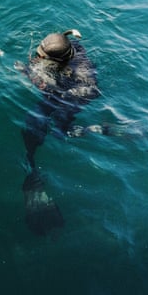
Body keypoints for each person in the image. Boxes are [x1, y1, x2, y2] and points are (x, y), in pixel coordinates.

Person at [16, 28, 100, 235]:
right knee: (32, 123)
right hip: (67, 87)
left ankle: (81, 131)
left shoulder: (78, 73)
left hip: (74, 97)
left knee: (57, 129)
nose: (37, 57)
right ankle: (32, 166)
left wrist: (28, 73)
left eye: (41, 56)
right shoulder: (72, 48)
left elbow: (51, 88)